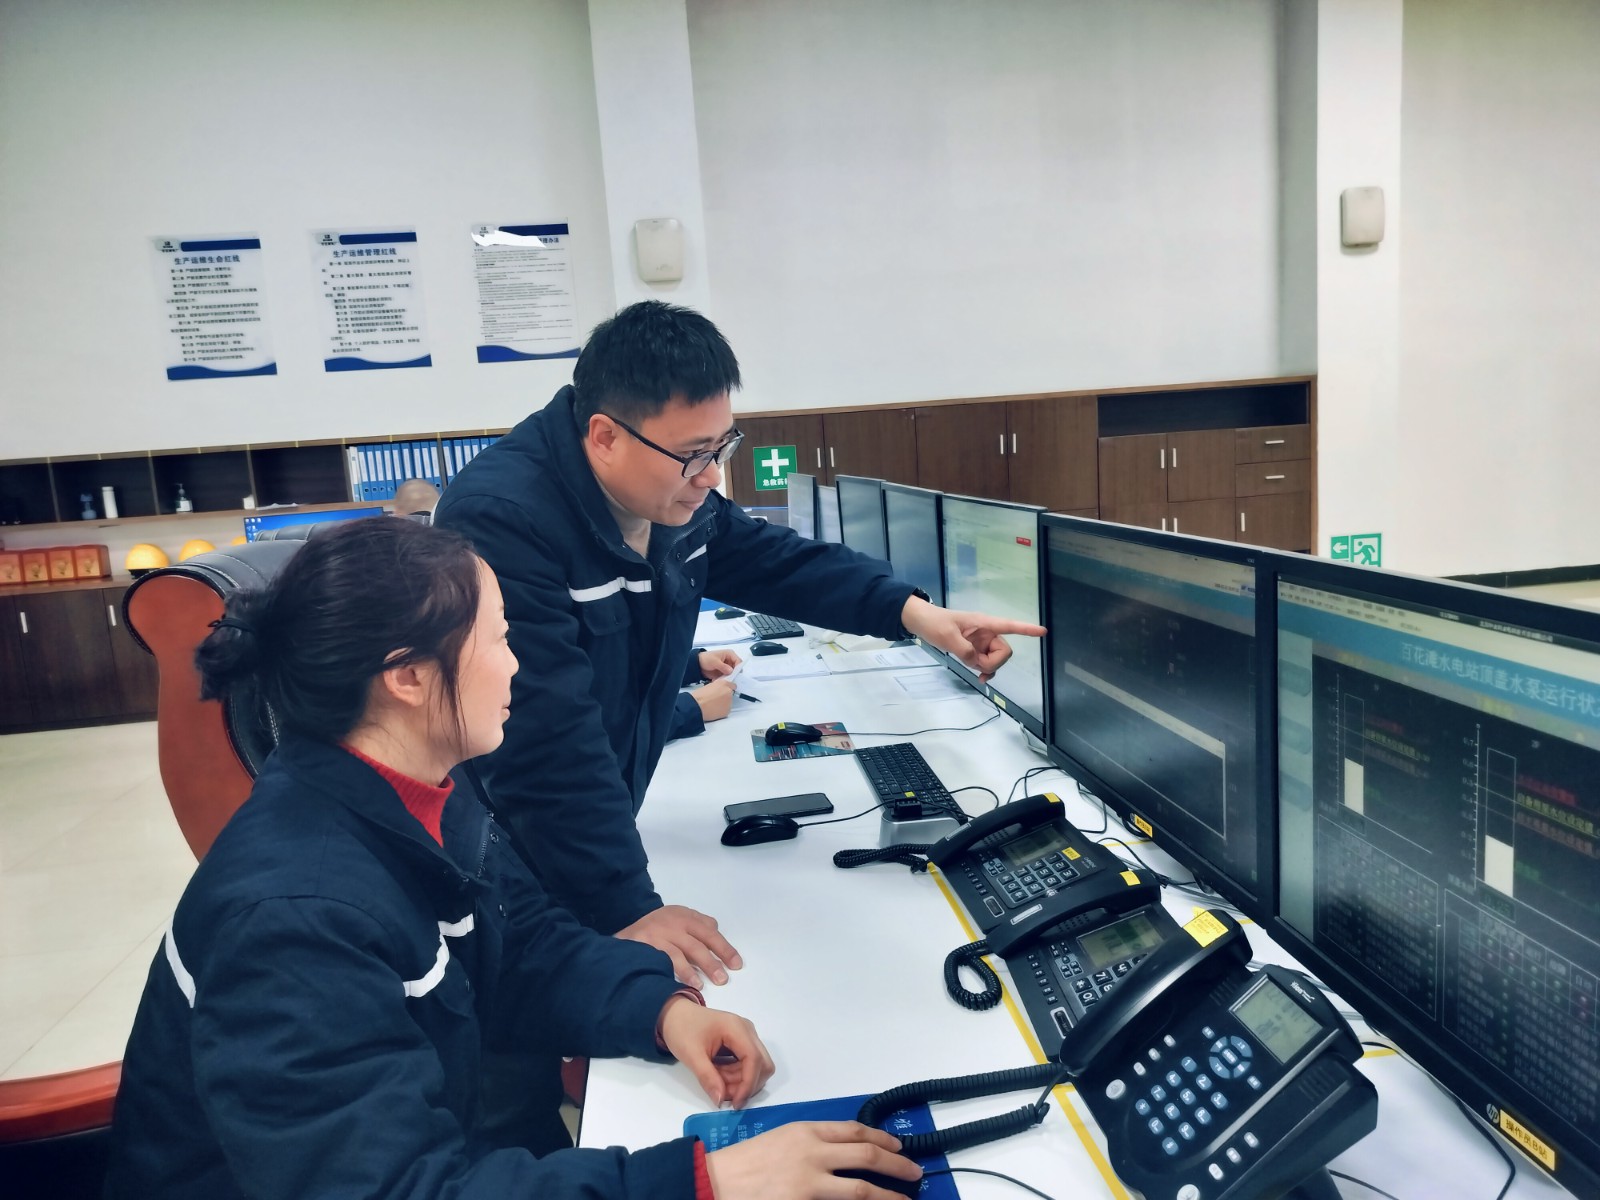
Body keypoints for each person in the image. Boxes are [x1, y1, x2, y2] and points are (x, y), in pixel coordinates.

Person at [104, 517, 920, 1200]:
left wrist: (660, 1009)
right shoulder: (294, 919)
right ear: (409, 677)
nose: (517, 663)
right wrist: (704, 1180)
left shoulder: (420, 787)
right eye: (498, 638)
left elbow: (519, 944)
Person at [434, 300, 1046, 988]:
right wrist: (625, 905)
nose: (713, 476)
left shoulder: (666, 497)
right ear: (605, 436)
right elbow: (546, 743)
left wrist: (912, 612)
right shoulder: (502, 520)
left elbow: (774, 561)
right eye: (694, 455)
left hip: (597, 822)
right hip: (511, 854)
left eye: (722, 446)